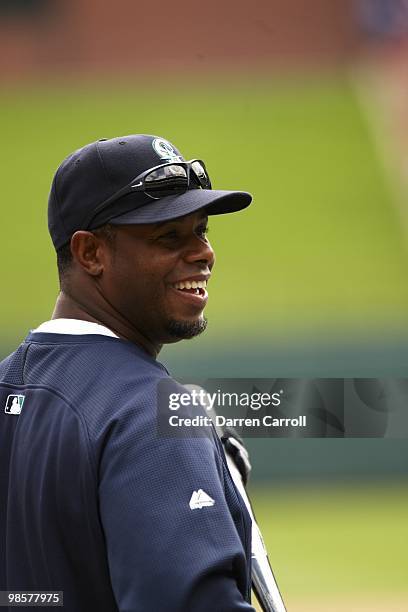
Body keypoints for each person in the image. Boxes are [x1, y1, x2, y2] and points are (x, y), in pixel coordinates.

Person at [0, 134, 254, 611]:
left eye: (202, 230)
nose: (204, 253)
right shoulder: (152, 413)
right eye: (169, 236)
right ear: (90, 253)